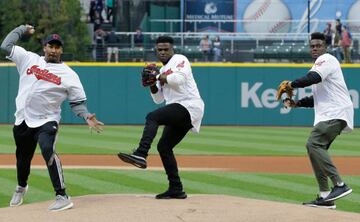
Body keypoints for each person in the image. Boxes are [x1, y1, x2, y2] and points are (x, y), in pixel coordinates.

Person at [0, 25, 104, 211]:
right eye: (51, 46)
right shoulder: (28, 59)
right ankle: (21, 187)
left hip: (47, 120)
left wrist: (86, 115)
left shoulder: (69, 75)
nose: (54, 50)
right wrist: (22, 29)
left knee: (47, 149)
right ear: (45, 48)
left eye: (57, 47)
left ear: (61, 50)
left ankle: (62, 195)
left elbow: (77, 103)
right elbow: (5, 46)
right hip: (22, 118)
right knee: (22, 159)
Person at [118, 36, 204, 199]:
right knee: (164, 147)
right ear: (156, 51)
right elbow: (158, 99)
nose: (163, 52)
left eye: (166, 49)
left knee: (152, 117)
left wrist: (156, 77)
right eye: (160, 50)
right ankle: (176, 188)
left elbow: (178, 80)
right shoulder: (161, 71)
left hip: (189, 105)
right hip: (177, 108)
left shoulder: (180, 59)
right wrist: (152, 83)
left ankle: (141, 153)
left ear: (173, 50)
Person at [279, 32, 353, 209]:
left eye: (318, 45)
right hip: (331, 112)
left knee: (313, 144)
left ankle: (340, 185)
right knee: (314, 149)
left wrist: (291, 84)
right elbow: (317, 98)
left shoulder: (327, 59)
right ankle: (325, 196)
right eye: (312, 46)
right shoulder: (319, 65)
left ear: (325, 47)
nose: (315, 48)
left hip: (335, 113)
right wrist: (297, 103)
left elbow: (312, 78)